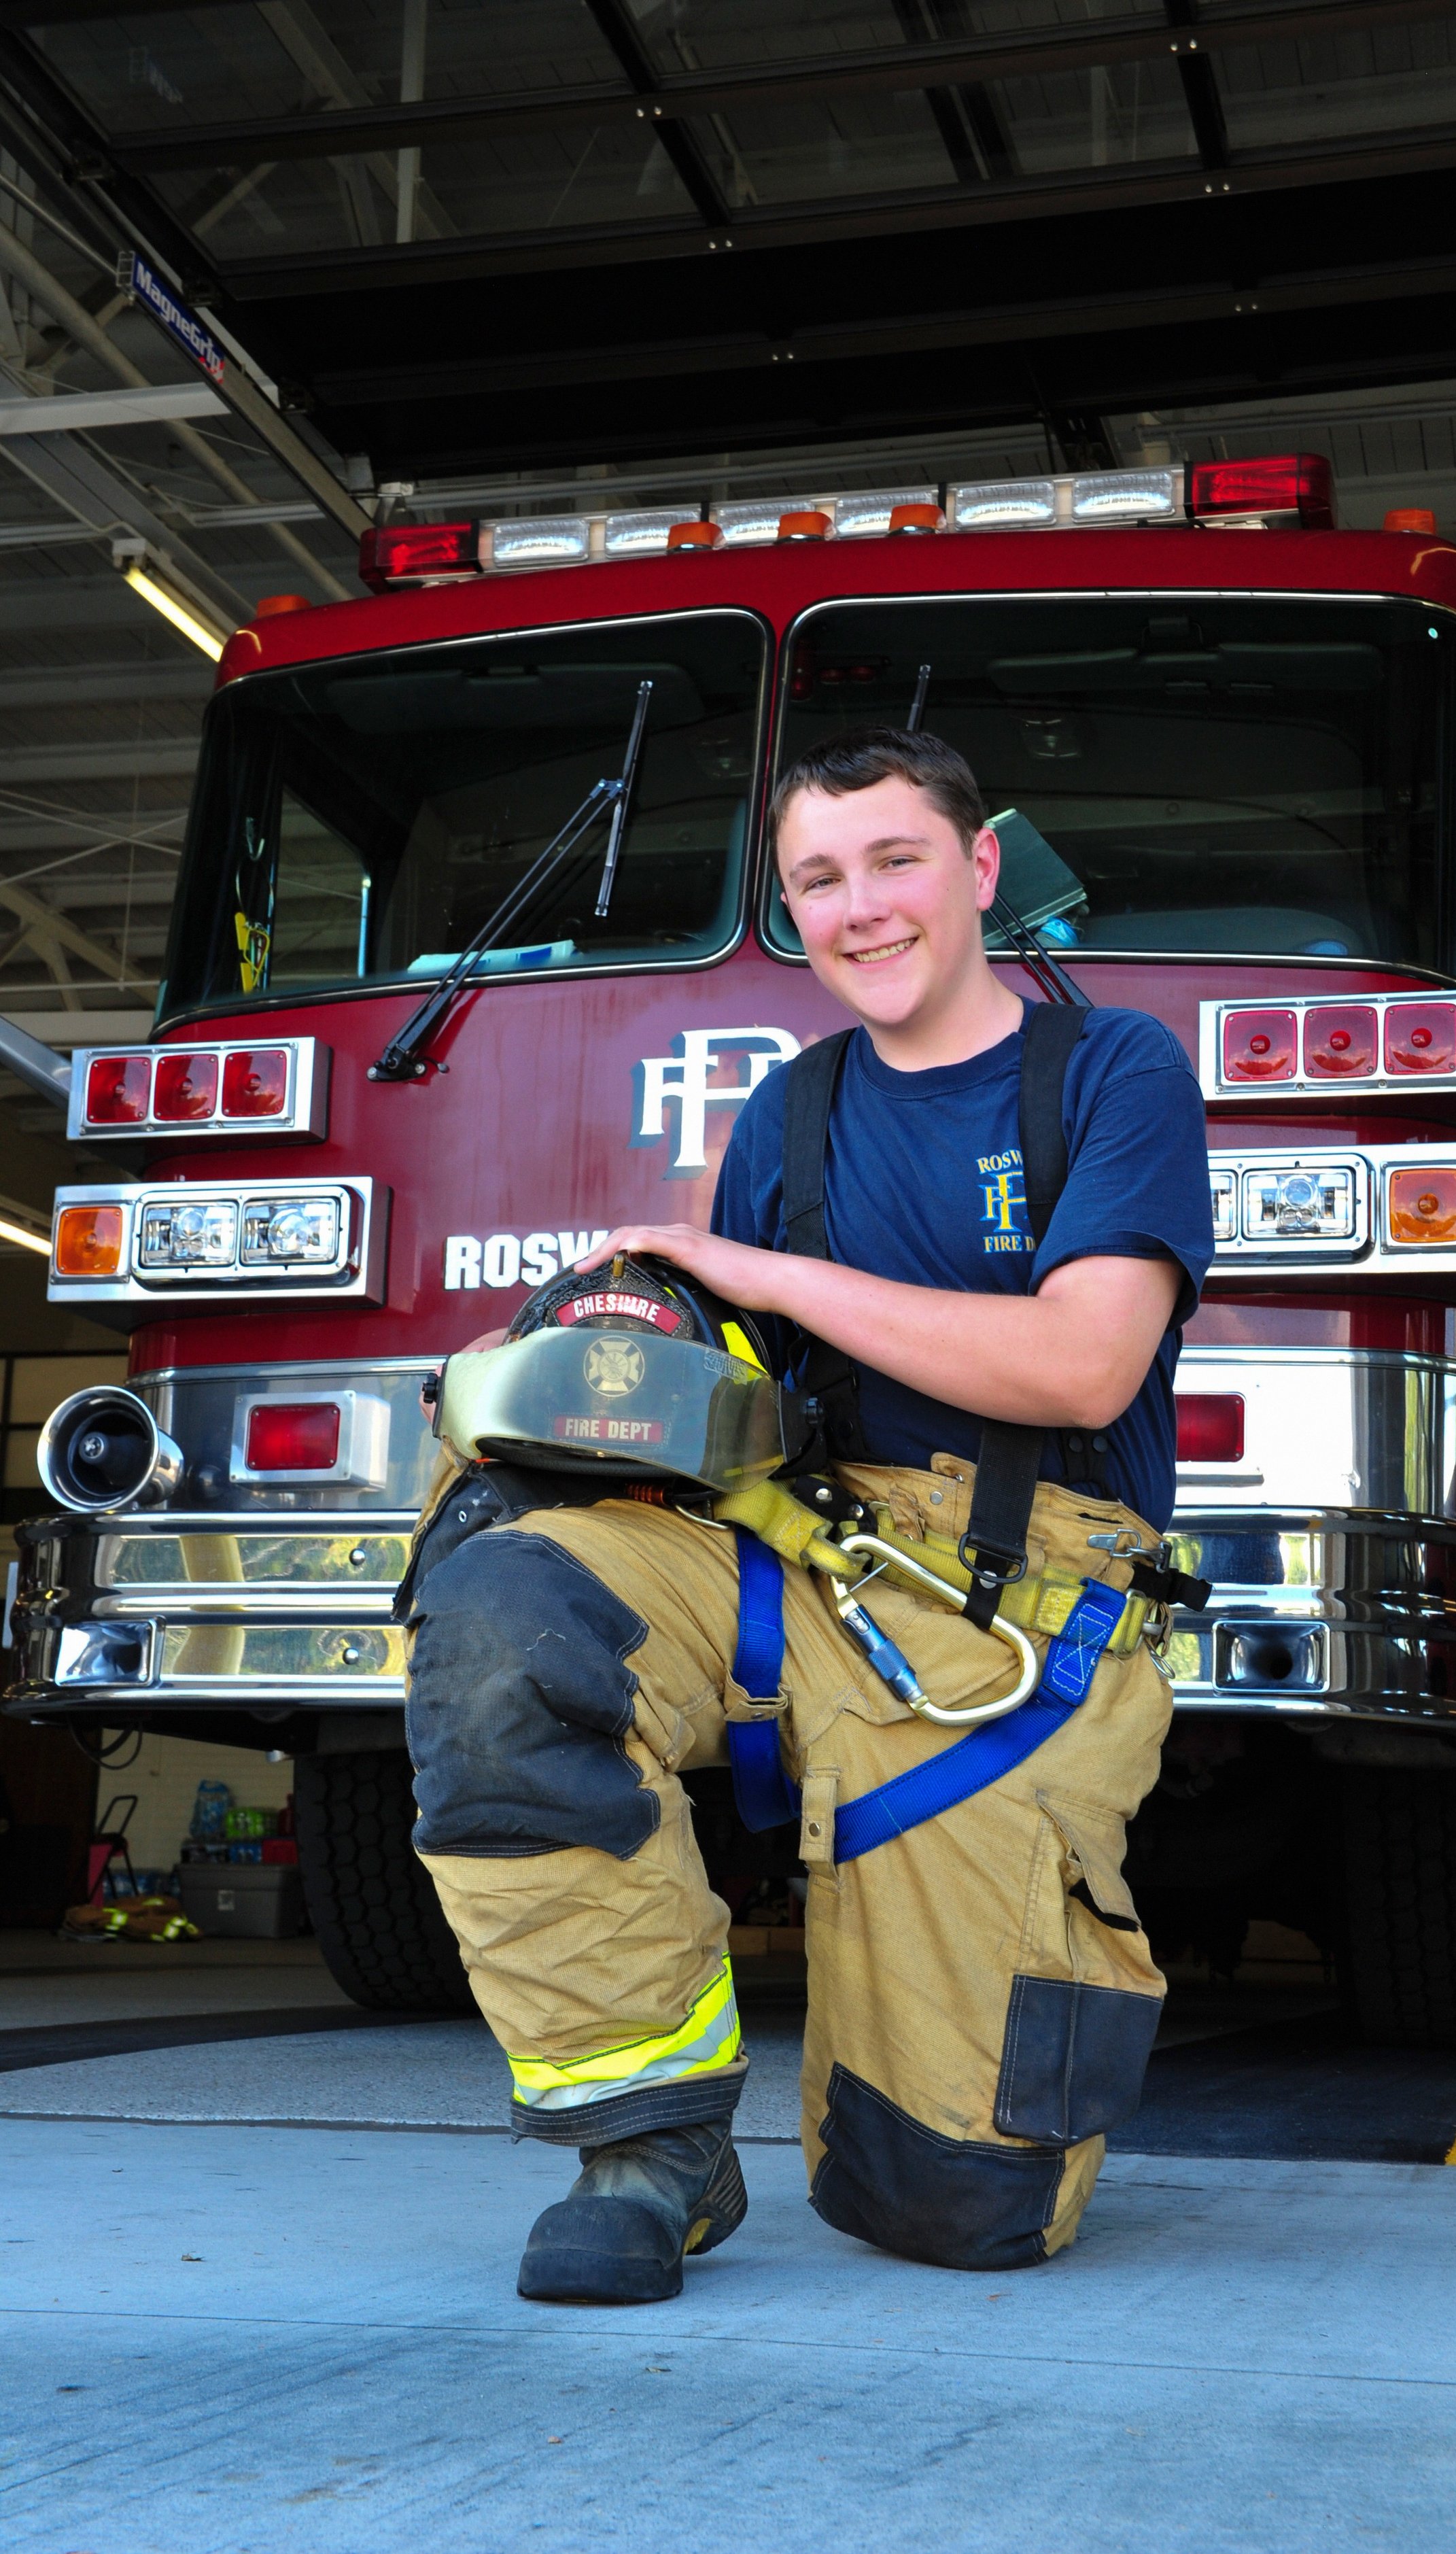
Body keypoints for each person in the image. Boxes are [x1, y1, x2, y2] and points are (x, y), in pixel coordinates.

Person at [402, 727, 1215, 2302]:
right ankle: (649, 2144)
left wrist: (756, 1273)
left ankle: (941, 2114)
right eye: (816, 880)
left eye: (894, 860)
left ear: (977, 869)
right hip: (790, 1555)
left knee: (953, 2208)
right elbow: (737, 1403)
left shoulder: (1114, 1070)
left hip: (1013, 1620)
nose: (860, 909)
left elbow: (1080, 1361)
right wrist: (599, 1357)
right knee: (511, 1602)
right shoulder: (786, 1115)